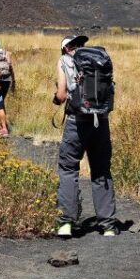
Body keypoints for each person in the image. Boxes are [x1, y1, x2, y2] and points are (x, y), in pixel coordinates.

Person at [53, 35, 117, 238]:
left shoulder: (64, 61)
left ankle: (66, 223)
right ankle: (108, 225)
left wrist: (56, 100)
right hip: (101, 120)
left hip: (76, 122)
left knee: (69, 168)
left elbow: (62, 94)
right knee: (101, 170)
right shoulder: (99, 59)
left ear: (65, 49)